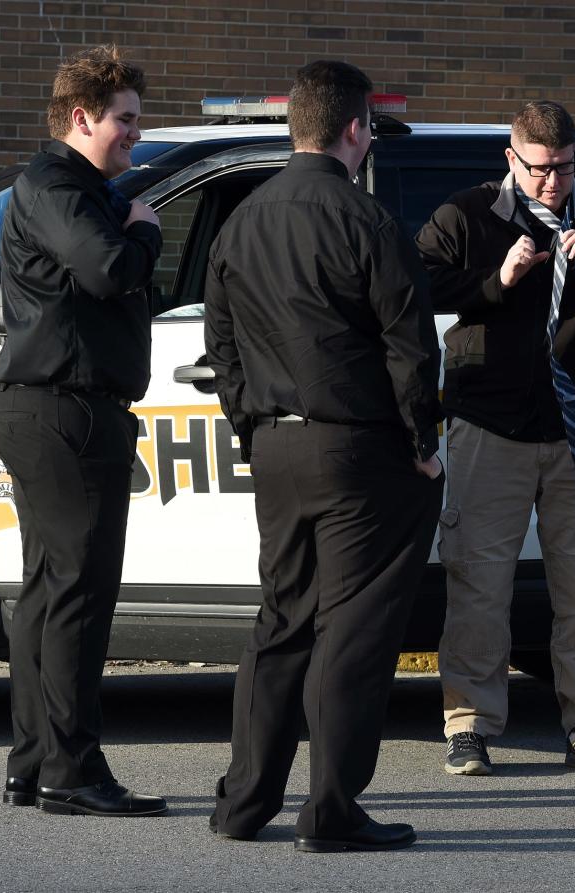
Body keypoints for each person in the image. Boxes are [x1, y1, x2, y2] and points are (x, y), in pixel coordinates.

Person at [205, 60, 444, 852]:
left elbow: (222, 343)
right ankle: (332, 811)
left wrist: (253, 427)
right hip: (359, 451)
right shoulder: (365, 218)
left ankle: (244, 802)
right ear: (354, 129)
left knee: (281, 618)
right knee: (353, 630)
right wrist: (423, 443)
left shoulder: (243, 219)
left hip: (277, 443)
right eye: (370, 125)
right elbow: (411, 345)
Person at [418, 100, 575, 777]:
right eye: (542, 170)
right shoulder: (468, 215)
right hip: (490, 427)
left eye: (566, 168)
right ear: (511, 160)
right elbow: (415, 285)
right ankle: (470, 724)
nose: (555, 184)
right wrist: (496, 281)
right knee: (479, 585)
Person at [0, 45, 166, 816]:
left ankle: (33, 762)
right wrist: (146, 230)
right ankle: (72, 770)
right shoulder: (59, 184)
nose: (134, 133)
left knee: (53, 594)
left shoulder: (74, 187)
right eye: (124, 120)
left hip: (57, 406)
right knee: (79, 595)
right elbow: (107, 269)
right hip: (64, 410)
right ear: (81, 117)